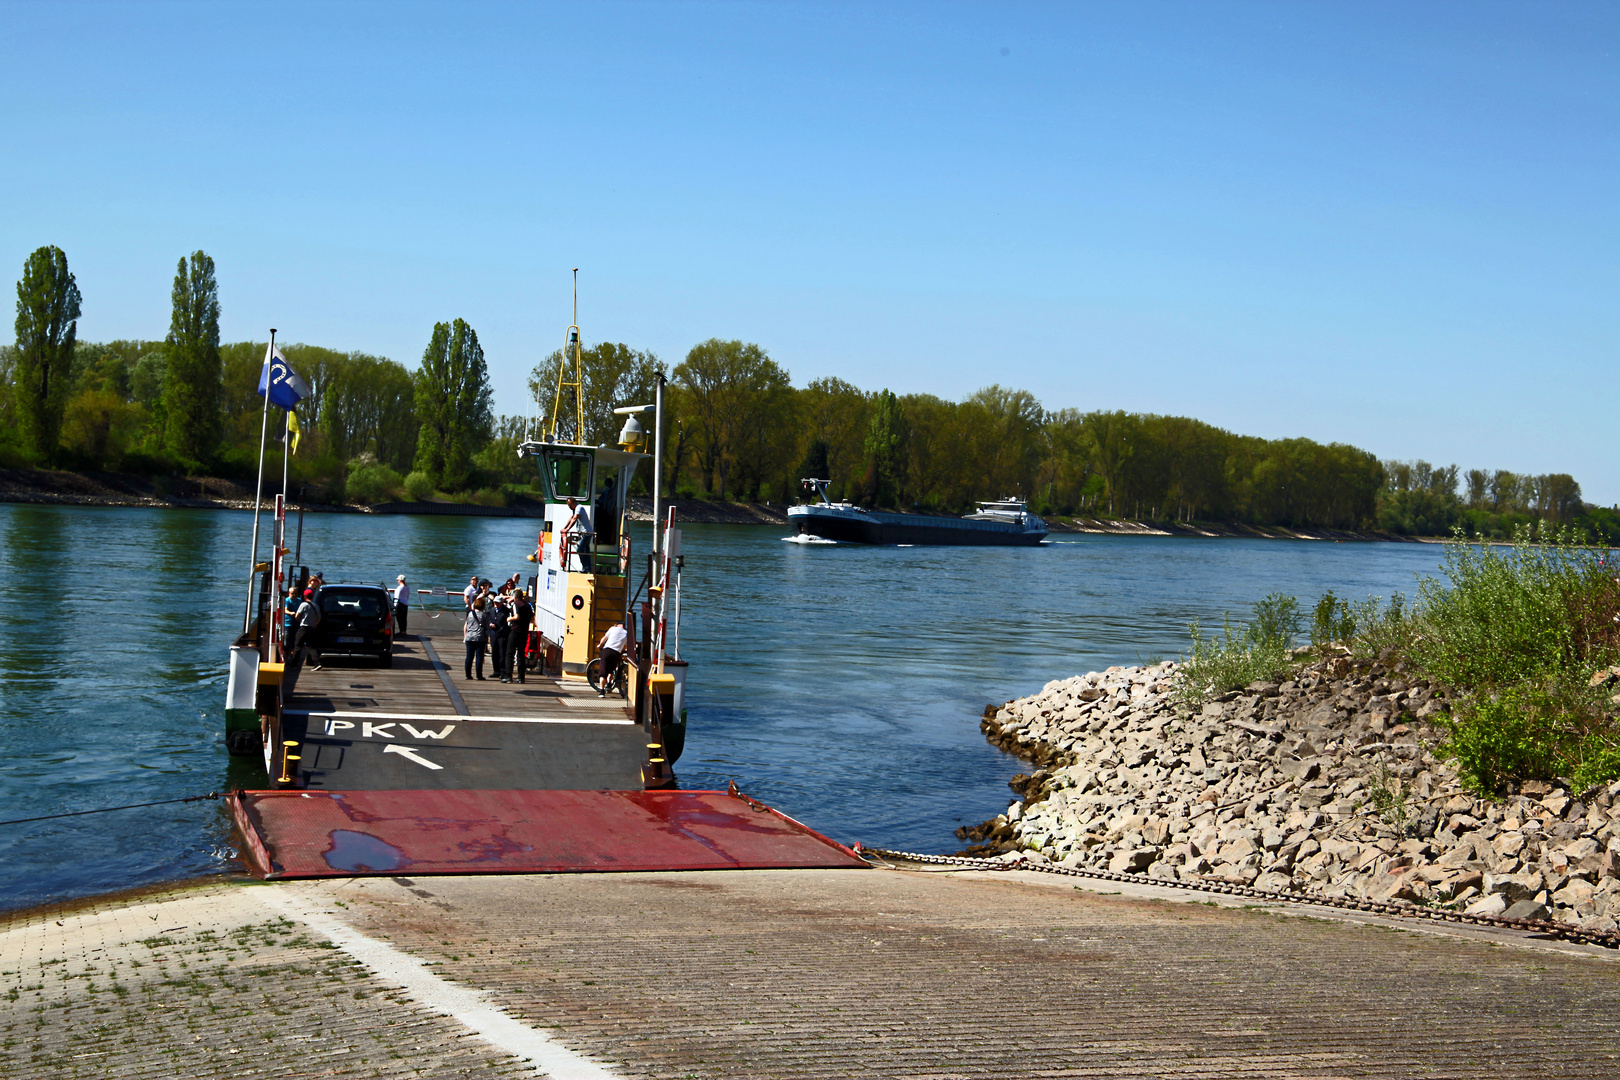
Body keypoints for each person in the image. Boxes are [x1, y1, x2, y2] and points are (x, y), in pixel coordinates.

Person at [596, 619, 628, 697]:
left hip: (607, 651)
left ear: (617, 625)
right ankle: (609, 685)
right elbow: (625, 646)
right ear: (624, 626)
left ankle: (602, 692)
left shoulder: (612, 628)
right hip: (616, 653)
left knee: (603, 672)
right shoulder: (626, 633)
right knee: (611, 670)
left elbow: (604, 639)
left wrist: (600, 645)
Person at [293, 588, 323, 670]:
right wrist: (315, 624)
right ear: (312, 596)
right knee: (311, 647)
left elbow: (297, 615)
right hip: (311, 628)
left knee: (298, 646)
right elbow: (319, 618)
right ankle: (317, 663)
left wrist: (299, 620)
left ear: (305, 596)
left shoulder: (303, 604)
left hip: (303, 628)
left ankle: (294, 663)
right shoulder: (316, 606)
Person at [508, 589, 534, 683]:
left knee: (510, 653)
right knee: (521, 654)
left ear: (515, 597)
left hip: (515, 630)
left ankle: (508, 675)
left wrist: (509, 619)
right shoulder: (527, 605)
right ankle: (521, 676)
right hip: (524, 631)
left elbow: (516, 616)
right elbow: (532, 618)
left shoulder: (516, 604)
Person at [562, 496, 591, 571]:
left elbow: (575, 518)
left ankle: (586, 568)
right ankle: (587, 568)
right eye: (568, 505)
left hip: (586, 533)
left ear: (574, 503)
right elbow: (571, 518)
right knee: (585, 551)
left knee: (580, 549)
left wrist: (568, 529)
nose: (569, 507)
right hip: (583, 533)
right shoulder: (575, 509)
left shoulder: (579, 507)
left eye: (570, 505)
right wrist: (565, 528)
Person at [464, 596, 490, 680]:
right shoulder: (484, 615)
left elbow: (467, 624)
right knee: (479, 657)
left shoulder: (470, 614)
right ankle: (479, 675)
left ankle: (468, 674)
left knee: (469, 656)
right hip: (480, 637)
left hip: (469, 637)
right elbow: (487, 626)